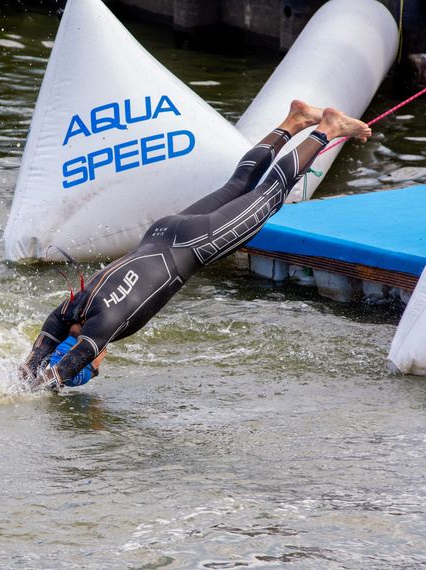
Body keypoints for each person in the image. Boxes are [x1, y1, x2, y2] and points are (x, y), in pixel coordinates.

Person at [20, 101, 371, 391]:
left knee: (270, 194)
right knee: (239, 183)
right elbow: (39, 358)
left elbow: (68, 366)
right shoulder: (69, 309)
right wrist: (22, 383)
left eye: (95, 368)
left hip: (195, 245)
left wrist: (43, 390)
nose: (100, 365)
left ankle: (328, 128)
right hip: (161, 233)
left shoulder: (101, 328)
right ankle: (294, 121)